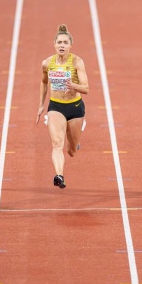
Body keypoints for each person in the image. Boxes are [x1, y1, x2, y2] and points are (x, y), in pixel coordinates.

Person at [36, 24, 89, 189]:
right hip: (56, 106)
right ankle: (59, 175)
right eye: (59, 42)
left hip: (75, 107)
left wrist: (73, 85)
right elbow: (44, 83)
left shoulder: (77, 62)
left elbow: (86, 88)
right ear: (54, 44)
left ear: (70, 45)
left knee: (71, 151)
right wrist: (40, 106)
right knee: (57, 142)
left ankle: (75, 139)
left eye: (65, 42)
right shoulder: (47, 63)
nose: (62, 45)